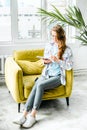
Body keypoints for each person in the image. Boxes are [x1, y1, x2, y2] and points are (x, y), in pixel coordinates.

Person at [13, 25, 73, 128]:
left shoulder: (67, 50)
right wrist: (47, 61)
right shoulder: (49, 45)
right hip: (47, 74)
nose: (53, 38)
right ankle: (23, 116)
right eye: (52, 36)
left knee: (40, 85)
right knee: (37, 83)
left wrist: (58, 60)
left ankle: (33, 115)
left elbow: (69, 66)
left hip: (57, 77)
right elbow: (46, 61)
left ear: (61, 36)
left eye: (56, 36)